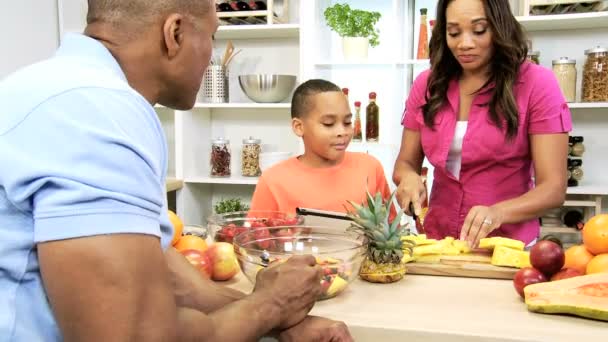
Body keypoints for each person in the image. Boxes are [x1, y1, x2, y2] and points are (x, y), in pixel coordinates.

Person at [0, 0, 352, 341]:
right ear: (175, 34)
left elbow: (159, 272)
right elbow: (131, 335)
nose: (211, 58)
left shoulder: (58, 88)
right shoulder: (99, 110)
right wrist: (271, 304)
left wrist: (279, 321)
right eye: (211, 39)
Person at [393, 0, 571, 248]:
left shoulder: (537, 84)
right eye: (454, 32)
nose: (464, 43)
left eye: (479, 30)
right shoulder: (426, 84)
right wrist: (409, 178)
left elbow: (553, 188)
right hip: (438, 239)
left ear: (500, 28)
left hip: (508, 243)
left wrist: (498, 212)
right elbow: (405, 163)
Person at [250, 79, 395, 217]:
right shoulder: (273, 181)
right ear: (299, 127)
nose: (342, 132)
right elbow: (255, 239)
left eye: (347, 122)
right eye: (328, 124)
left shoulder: (370, 167)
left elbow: (391, 230)